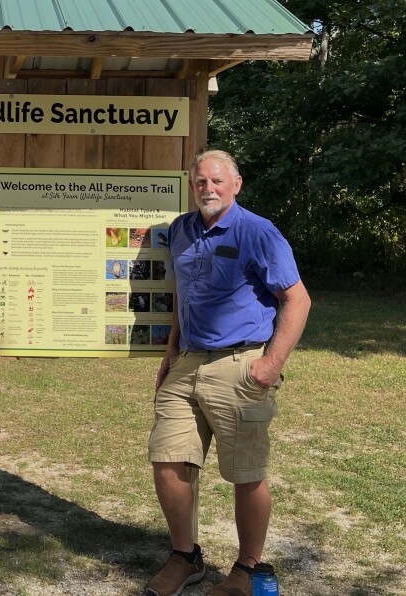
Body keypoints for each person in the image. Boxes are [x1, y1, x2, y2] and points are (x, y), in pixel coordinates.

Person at [145, 150, 311, 596]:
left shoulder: (258, 232)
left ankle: (247, 570)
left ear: (236, 184)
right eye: (201, 181)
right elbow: (183, 292)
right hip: (187, 363)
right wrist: (171, 350)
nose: (208, 189)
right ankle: (186, 557)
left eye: (217, 181)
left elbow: (297, 300)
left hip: (241, 365)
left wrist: (271, 363)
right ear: (191, 184)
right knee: (167, 461)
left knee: (246, 472)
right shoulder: (181, 229)